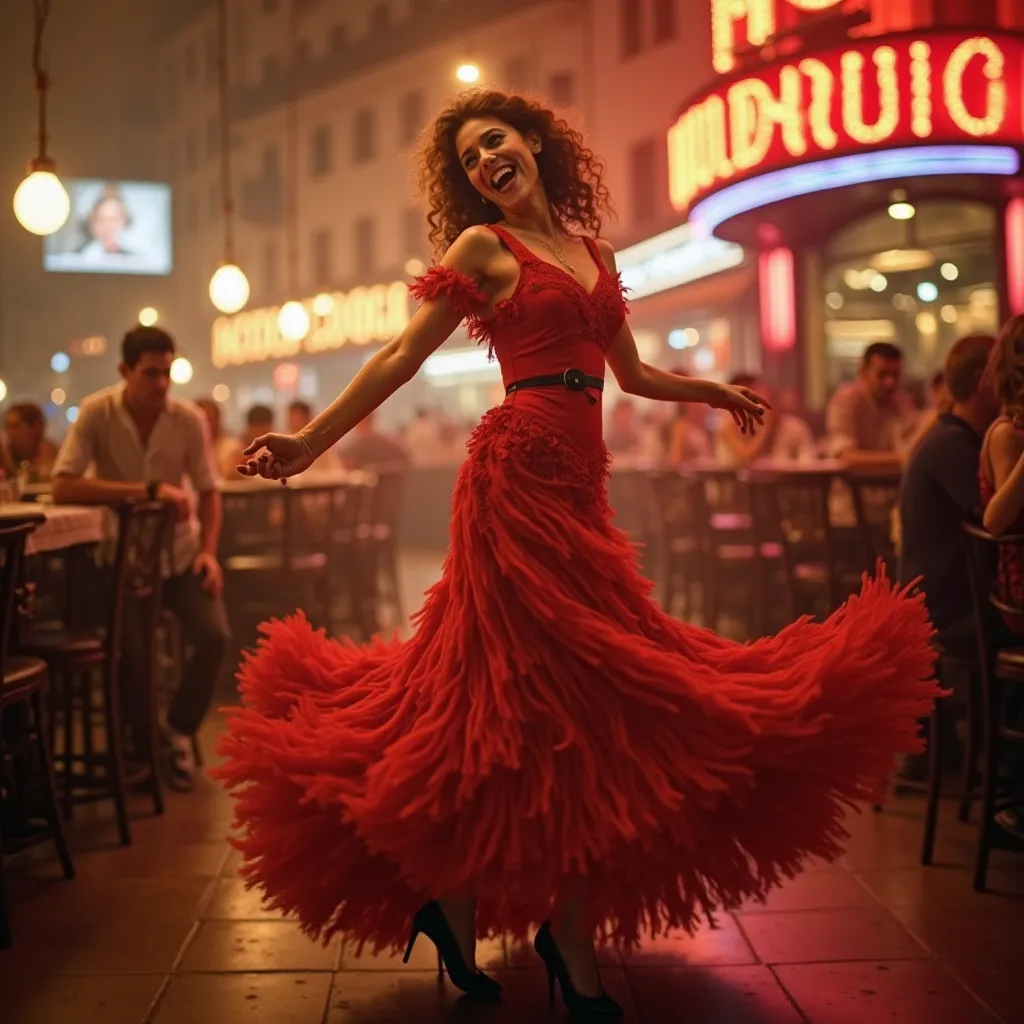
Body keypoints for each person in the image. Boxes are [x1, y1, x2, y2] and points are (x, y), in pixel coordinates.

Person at [214, 90, 938, 1019]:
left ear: (536, 143)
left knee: (564, 705)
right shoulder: (483, 250)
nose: (486, 164)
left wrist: (711, 390)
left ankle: (470, 899)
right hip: (512, 480)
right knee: (524, 696)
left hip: (581, 488)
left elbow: (627, 373)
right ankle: (559, 931)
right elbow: (399, 357)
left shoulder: (596, 255)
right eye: (471, 159)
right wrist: (310, 444)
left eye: (497, 143)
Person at [52, 326, 231, 791]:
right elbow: (63, 483)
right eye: (150, 373)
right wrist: (146, 491)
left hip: (181, 555)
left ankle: (178, 730)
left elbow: (210, 492)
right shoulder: (96, 413)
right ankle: (145, 749)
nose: (161, 383)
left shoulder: (188, 418)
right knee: (131, 655)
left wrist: (210, 555)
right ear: (124, 371)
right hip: (123, 562)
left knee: (214, 636)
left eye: (167, 372)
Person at [899, 334, 998, 649]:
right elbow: (1001, 523)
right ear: (981, 381)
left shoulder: (954, 438)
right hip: (947, 612)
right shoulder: (952, 447)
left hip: (958, 602)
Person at [826, 342, 918, 468]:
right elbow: (845, 456)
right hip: (852, 486)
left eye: (895, 375)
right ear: (863, 371)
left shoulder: (902, 402)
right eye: (882, 374)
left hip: (892, 485)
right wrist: (899, 459)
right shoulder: (846, 400)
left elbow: (912, 448)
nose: (890, 382)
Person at [713, 374, 816, 466]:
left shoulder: (793, 427)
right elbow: (746, 456)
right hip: (732, 482)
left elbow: (807, 458)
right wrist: (765, 428)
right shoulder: (728, 423)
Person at [2, 402, 58, 483]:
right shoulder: (7, 455)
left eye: (16, 426)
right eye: (7, 426)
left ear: (36, 427)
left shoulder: (52, 455)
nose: (10, 433)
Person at [338, 412, 410, 471]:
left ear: (360, 423)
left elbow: (345, 471)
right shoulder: (390, 445)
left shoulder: (352, 450)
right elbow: (406, 461)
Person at [195, 397, 242, 480]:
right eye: (199, 420)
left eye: (208, 418)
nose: (204, 424)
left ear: (217, 419)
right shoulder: (189, 448)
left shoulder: (231, 447)